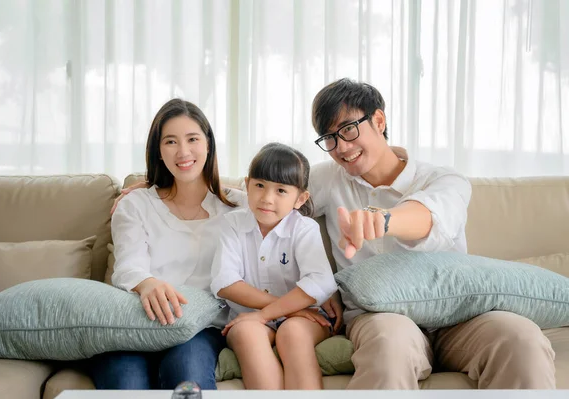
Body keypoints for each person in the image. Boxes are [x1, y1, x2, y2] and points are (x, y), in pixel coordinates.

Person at [309, 78, 556, 389]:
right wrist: (320, 285)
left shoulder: (444, 179)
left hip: (460, 316)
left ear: (379, 120)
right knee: (389, 346)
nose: (341, 148)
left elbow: (429, 218)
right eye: (329, 138)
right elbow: (269, 210)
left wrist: (384, 220)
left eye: (348, 129)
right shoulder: (326, 179)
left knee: (522, 341)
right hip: (381, 317)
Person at [88, 98, 247, 390]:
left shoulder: (238, 206)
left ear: (208, 144)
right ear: (159, 151)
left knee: (188, 377)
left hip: (199, 329)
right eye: (171, 142)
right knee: (127, 384)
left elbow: (289, 200)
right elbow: (128, 266)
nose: (183, 151)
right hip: (132, 322)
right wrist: (147, 283)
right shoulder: (136, 204)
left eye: (193, 139)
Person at [210, 143, 338, 390]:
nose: (267, 198)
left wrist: (269, 313)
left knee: (293, 334)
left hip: (306, 320)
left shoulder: (304, 229)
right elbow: (225, 282)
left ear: (300, 199)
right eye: (259, 186)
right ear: (247, 185)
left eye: (281, 190)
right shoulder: (233, 224)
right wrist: (283, 310)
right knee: (246, 333)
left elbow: (320, 281)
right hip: (251, 317)